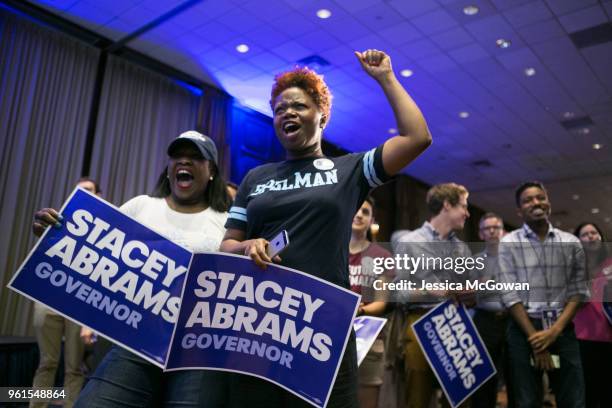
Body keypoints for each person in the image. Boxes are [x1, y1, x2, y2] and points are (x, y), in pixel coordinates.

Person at [220, 49, 432, 407]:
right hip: (258, 325)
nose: (287, 112)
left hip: (322, 326)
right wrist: (246, 246)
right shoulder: (256, 178)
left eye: (299, 106)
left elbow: (417, 139)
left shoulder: (348, 171)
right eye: (279, 109)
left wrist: (386, 79)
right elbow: (225, 246)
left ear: (323, 115)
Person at [33, 131, 231, 407]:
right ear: (169, 167)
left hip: (194, 352)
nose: (184, 161)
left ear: (211, 171)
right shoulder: (141, 206)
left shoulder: (224, 222)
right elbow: (96, 251)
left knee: (73, 371)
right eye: (177, 156)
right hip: (136, 346)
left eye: (196, 157)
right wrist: (53, 231)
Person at [499, 181, 588, 408]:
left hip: (562, 329)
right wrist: (537, 340)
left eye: (540, 197)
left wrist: (554, 331)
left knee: (574, 400)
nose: (536, 203)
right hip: (523, 331)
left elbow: (578, 291)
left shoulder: (571, 242)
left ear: (548, 202)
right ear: (519, 210)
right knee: (527, 401)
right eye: (528, 200)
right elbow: (510, 295)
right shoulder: (508, 243)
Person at [394, 182, 472, 408]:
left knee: (459, 398)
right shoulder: (409, 243)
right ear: (447, 205)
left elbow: (465, 290)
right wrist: (429, 291)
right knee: (417, 397)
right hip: (420, 323)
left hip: (455, 324)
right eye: (464, 206)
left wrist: (471, 293)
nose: (467, 213)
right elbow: (398, 294)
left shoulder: (463, 249)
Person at [30, 177, 102, 408]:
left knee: (74, 367)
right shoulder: (60, 219)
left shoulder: (106, 230)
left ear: (99, 195)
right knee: (47, 362)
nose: (86, 194)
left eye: (90, 190)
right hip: (48, 298)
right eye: (80, 191)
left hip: (79, 301)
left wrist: (88, 321)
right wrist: (39, 228)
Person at [348, 196, 393, 408]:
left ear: (371, 219)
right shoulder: (332, 251)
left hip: (369, 337)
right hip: (332, 336)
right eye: (356, 210)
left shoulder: (382, 256)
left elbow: (381, 302)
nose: (358, 215)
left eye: (365, 212)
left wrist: (360, 310)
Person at [470, 212, 513, 408]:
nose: (493, 231)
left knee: (515, 373)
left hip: (512, 319)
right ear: (481, 234)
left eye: (496, 227)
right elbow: (468, 295)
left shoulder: (515, 259)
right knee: (484, 375)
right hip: (484, 321)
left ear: (502, 231)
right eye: (488, 228)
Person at [572, 222, 612, 408]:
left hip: (609, 337)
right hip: (582, 339)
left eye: (594, 233)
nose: (590, 237)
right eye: (585, 234)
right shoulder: (573, 267)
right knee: (586, 392)